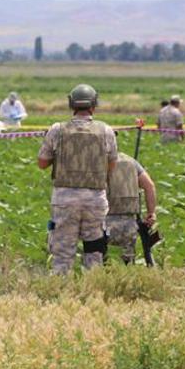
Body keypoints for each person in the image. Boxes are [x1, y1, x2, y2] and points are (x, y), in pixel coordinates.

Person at [37, 84, 117, 272]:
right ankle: (93, 290)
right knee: (94, 250)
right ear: (93, 105)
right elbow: (112, 165)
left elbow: (42, 163)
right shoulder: (106, 131)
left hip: (64, 200)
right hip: (95, 200)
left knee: (63, 252)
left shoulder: (57, 130)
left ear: (71, 105)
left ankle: (62, 290)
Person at [105, 151, 157, 264]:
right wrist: (151, 213)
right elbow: (149, 186)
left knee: (99, 262)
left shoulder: (96, 161)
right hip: (129, 223)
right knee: (127, 263)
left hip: (104, 223)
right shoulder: (131, 161)